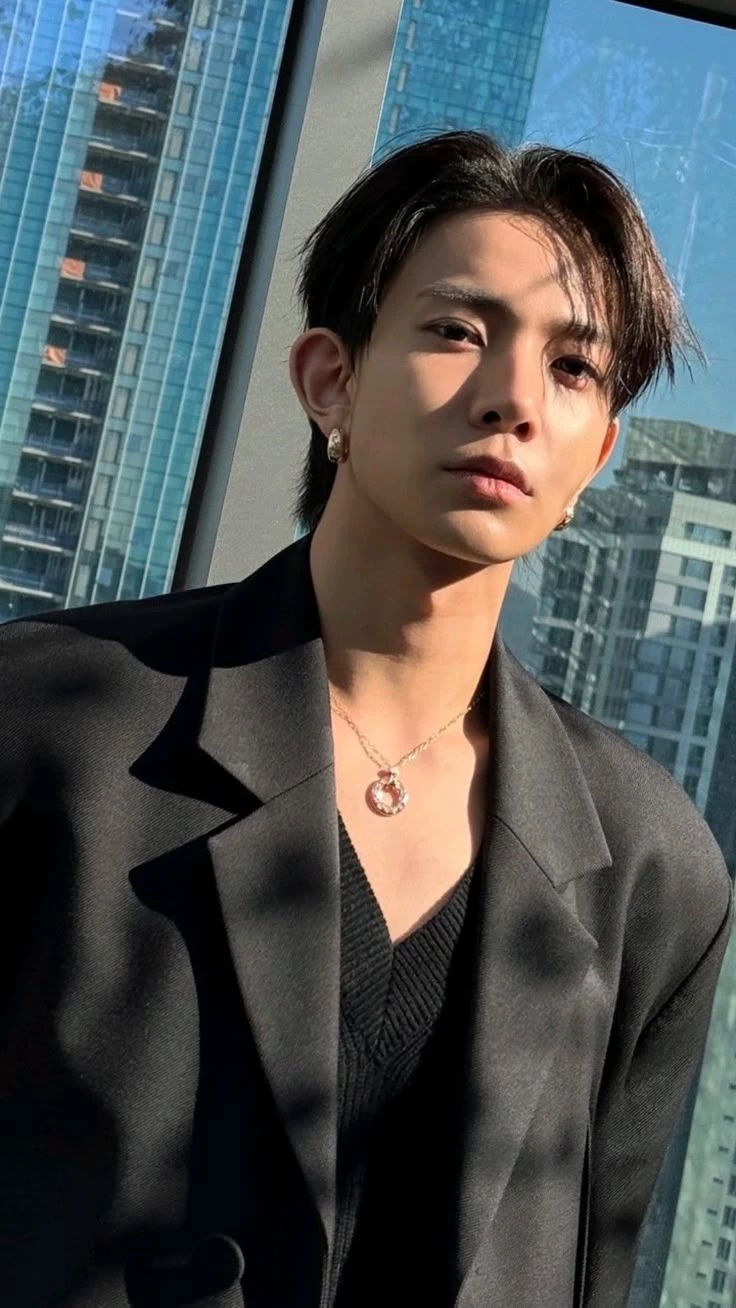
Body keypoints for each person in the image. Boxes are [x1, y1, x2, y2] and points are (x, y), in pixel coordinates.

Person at [0, 129, 731, 1308]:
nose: (511, 400)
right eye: (456, 331)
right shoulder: (50, 722)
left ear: (596, 454)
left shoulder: (649, 867)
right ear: (329, 380)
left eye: (572, 368)